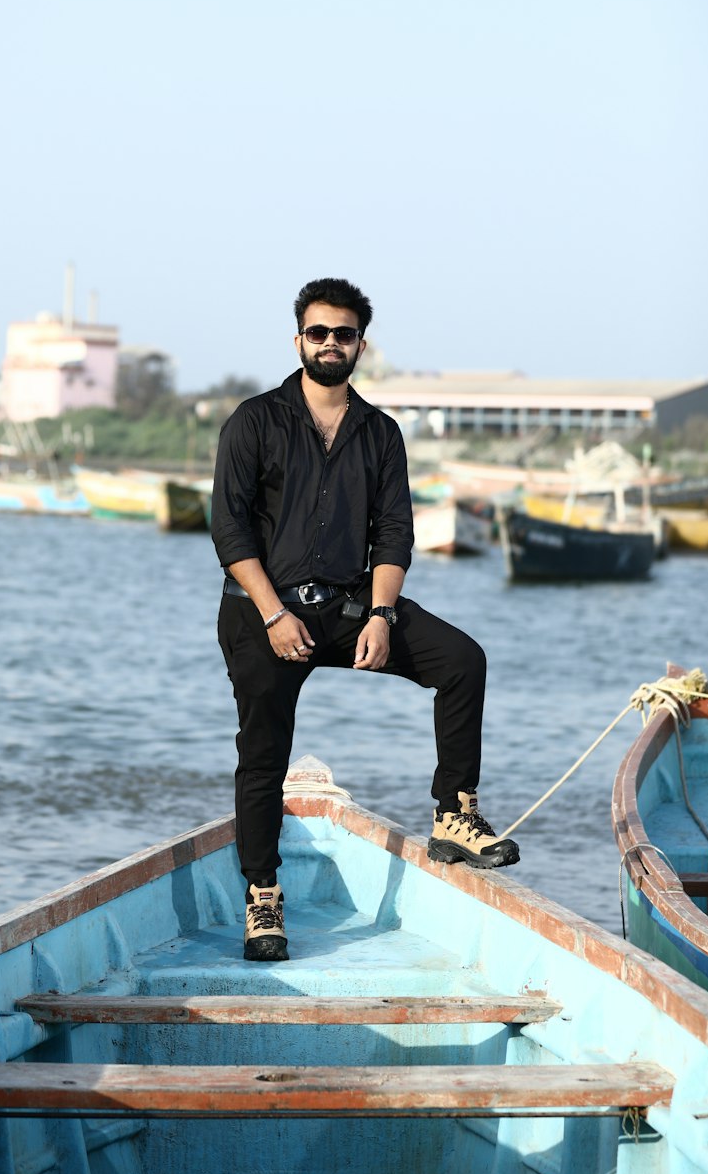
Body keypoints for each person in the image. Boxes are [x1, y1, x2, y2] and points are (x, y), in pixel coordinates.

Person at [211, 276, 519, 963]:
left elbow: (394, 532)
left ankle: (454, 815)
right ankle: (263, 897)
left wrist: (382, 615)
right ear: (297, 340)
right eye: (317, 332)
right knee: (263, 756)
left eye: (342, 334)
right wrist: (272, 614)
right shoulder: (254, 422)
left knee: (462, 661)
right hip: (264, 615)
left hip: (350, 607)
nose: (329, 343)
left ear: (360, 345)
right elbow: (229, 532)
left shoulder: (380, 434)